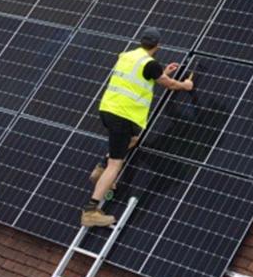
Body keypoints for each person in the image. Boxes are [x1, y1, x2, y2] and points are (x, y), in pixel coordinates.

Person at [81, 27, 194, 227]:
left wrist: (162, 72)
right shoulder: (150, 64)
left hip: (108, 109)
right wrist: (185, 85)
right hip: (123, 115)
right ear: (158, 45)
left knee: (133, 140)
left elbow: (143, 77)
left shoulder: (129, 56)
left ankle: (100, 168)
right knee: (116, 164)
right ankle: (91, 211)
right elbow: (169, 85)